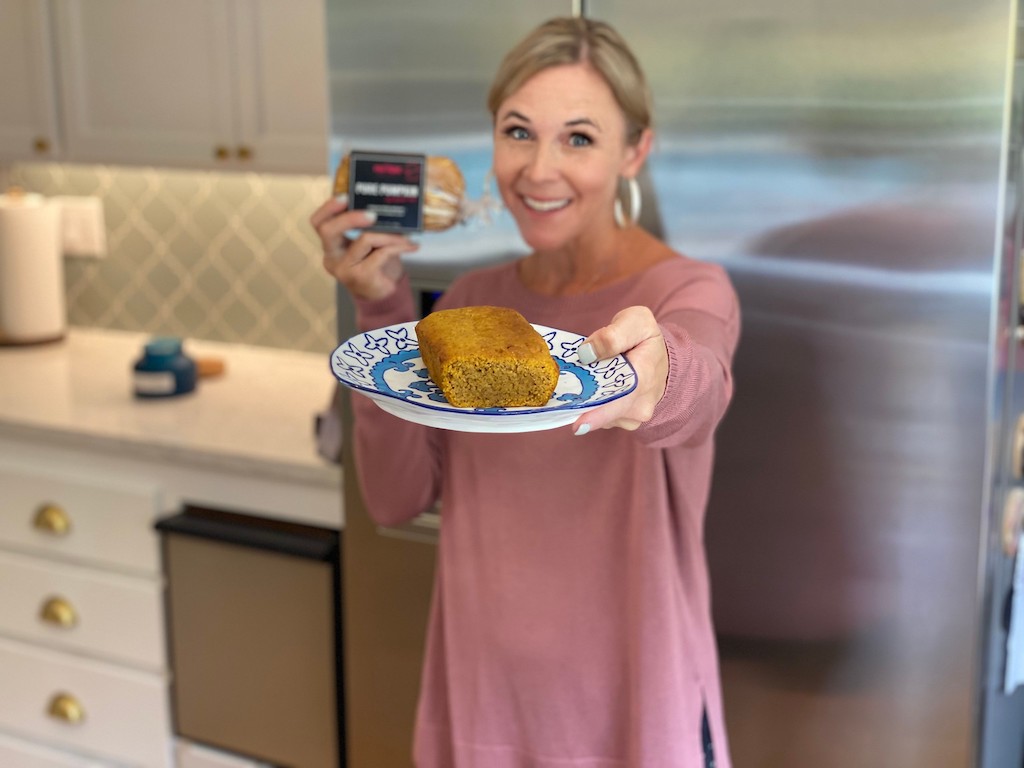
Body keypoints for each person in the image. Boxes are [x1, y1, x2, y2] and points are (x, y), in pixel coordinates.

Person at [311, 16, 739, 768]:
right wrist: (383, 309)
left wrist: (660, 375)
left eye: (578, 138)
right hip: (483, 704)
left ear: (634, 151)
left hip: (635, 714)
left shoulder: (687, 291)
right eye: (518, 132)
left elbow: (700, 381)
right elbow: (394, 498)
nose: (539, 170)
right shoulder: (472, 307)